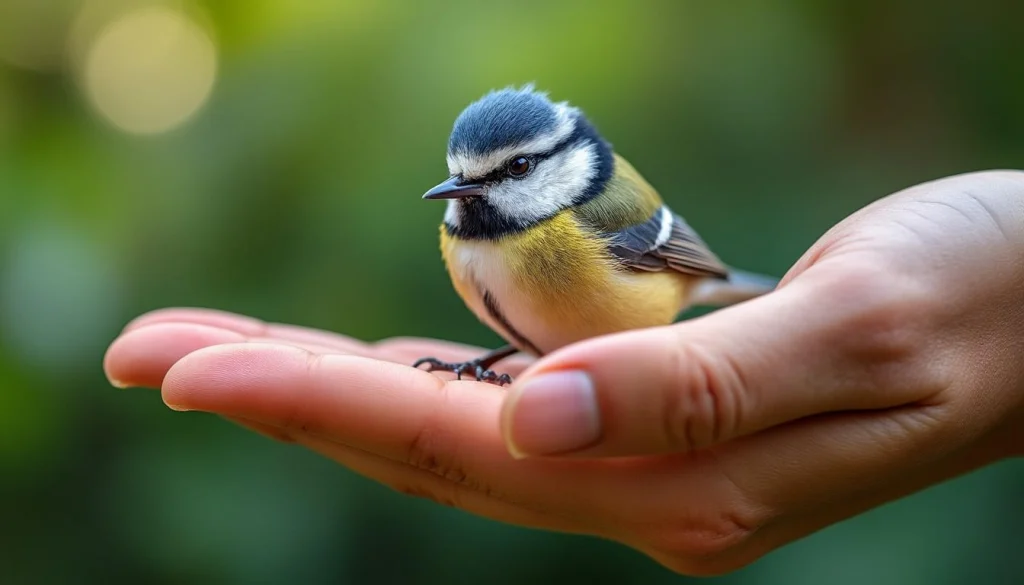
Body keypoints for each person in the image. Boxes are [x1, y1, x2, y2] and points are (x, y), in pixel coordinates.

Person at [103, 170, 1024, 575]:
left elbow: (677, 265)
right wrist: (499, 366)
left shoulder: (600, 212)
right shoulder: (459, 236)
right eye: (460, 181)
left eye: (499, 178)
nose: (468, 198)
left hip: (676, 300)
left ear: (554, 172)